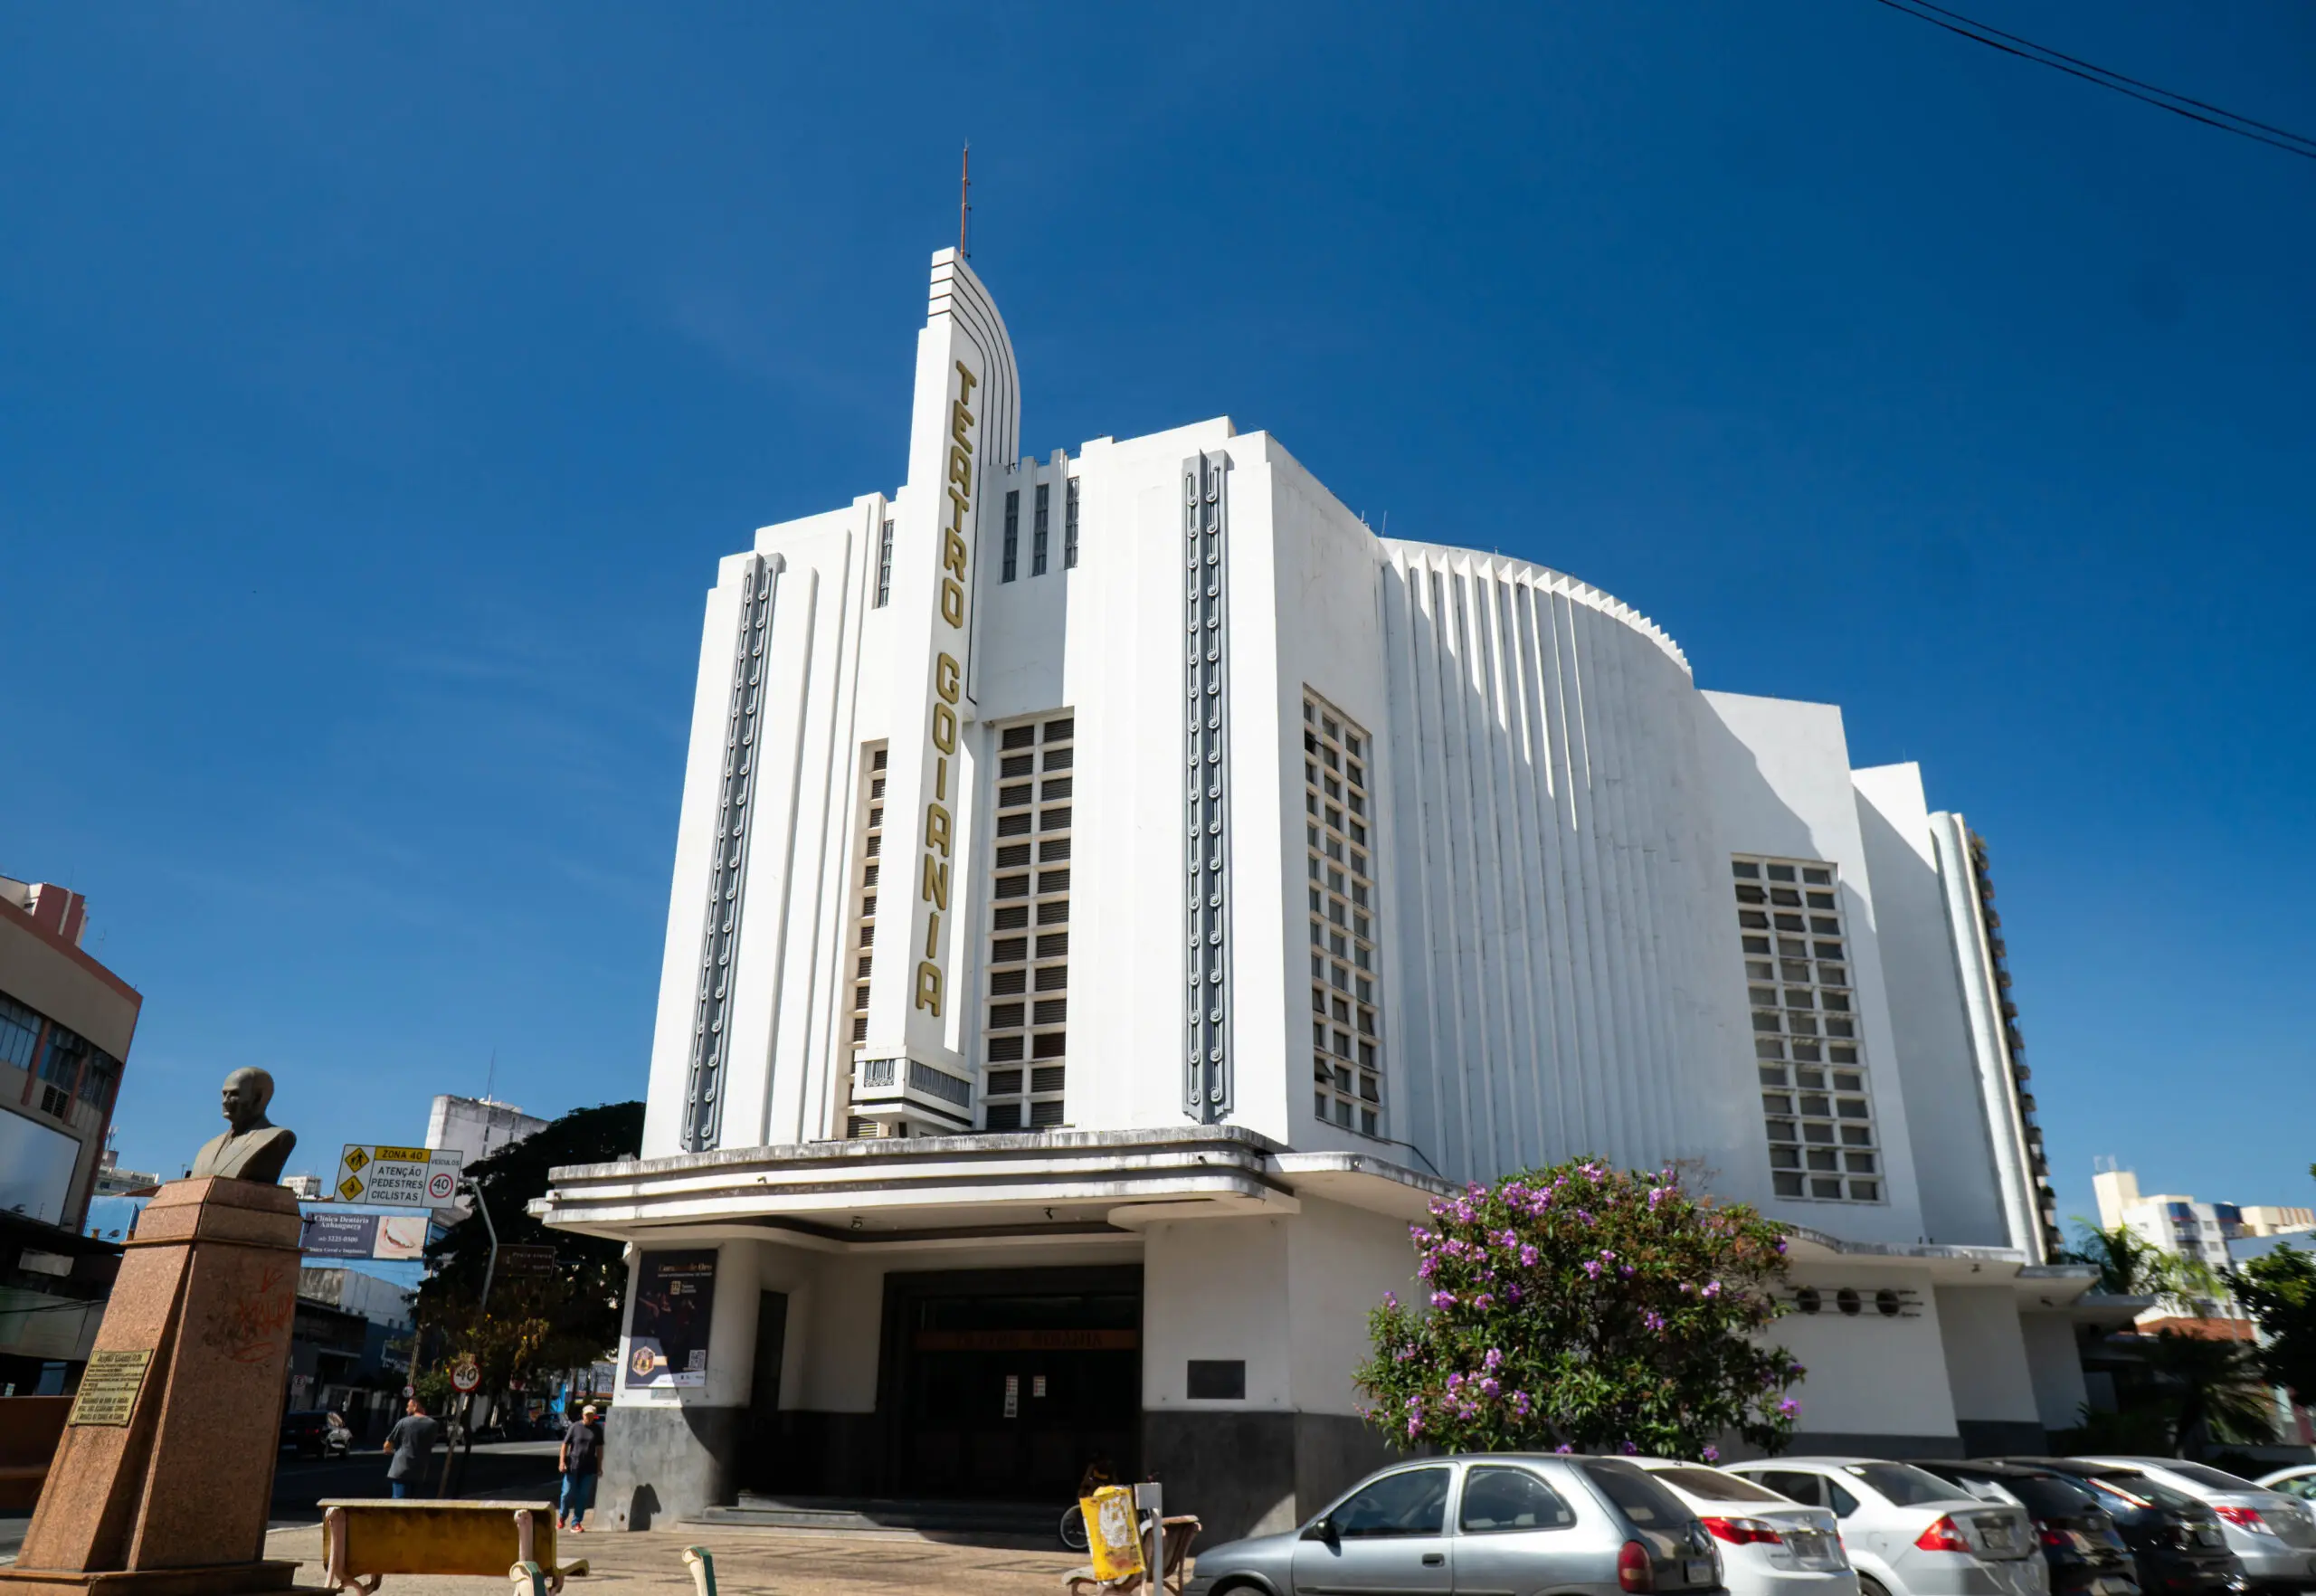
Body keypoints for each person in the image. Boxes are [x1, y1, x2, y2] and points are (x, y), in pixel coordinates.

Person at [381, 1397, 441, 1499]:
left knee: (398, 1501)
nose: (407, 1409)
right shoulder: (433, 1424)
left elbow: (387, 1445)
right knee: (414, 1503)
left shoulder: (404, 1422)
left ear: (416, 1406)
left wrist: (390, 1451)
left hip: (401, 1468)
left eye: (409, 1406)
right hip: (420, 1469)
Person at [557, 1404, 603, 1531]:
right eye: (586, 1415)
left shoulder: (597, 1430)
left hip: (588, 1467)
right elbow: (564, 1445)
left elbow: (599, 1449)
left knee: (582, 1495)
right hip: (573, 1466)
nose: (588, 1417)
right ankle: (562, 1517)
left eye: (591, 1415)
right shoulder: (575, 1427)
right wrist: (562, 1462)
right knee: (567, 1493)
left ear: (594, 1416)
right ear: (582, 1415)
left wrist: (599, 1467)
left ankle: (576, 1522)